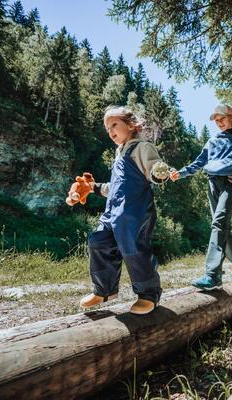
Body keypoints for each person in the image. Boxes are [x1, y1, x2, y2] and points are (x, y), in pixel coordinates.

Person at [70, 106, 170, 314]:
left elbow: (154, 169)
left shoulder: (142, 147)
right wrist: (93, 187)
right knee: (98, 241)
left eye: (114, 124)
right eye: (107, 128)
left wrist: (159, 172)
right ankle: (104, 289)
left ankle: (148, 294)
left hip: (135, 211)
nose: (110, 131)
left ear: (131, 125)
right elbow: (115, 187)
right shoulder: (119, 154)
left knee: (132, 246)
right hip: (113, 211)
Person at [170, 104, 232, 290]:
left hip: (230, 182)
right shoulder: (212, 141)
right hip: (212, 183)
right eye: (216, 120)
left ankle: (212, 275)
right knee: (222, 227)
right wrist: (180, 173)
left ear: (231, 116)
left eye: (222, 118)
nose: (219, 122)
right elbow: (198, 163)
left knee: (219, 223)